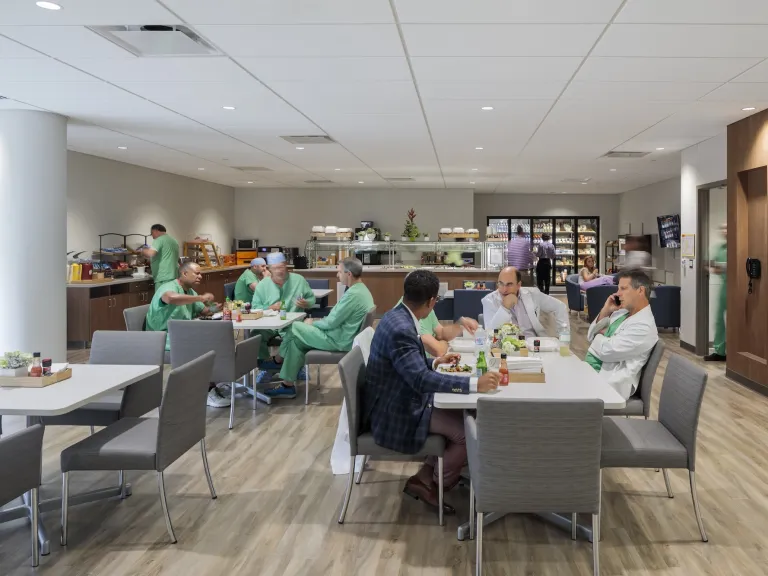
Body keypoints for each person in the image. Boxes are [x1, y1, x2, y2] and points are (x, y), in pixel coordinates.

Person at [363, 270, 500, 513]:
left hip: (397, 398)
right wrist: (473, 384)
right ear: (431, 301)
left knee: (468, 416)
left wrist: (435, 362)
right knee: (466, 434)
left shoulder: (396, 316)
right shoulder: (401, 329)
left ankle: (426, 476)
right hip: (396, 412)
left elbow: (406, 364)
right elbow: (420, 380)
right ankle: (437, 485)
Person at [266, 258, 374, 399]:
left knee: (294, 326)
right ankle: (287, 385)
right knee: (296, 342)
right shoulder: (361, 290)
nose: (337, 275)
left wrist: (312, 323)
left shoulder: (353, 295)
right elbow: (334, 319)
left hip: (338, 340)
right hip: (342, 336)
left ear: (349, 274)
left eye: (339, 272)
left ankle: (277, 360)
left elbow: (331, 323)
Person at [145, 262, 227, 408]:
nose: (200, 277)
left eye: (201, 274)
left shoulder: (189, 291)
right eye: (197, 273)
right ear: (184, 273)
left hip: (181, 335)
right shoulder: (168, 287)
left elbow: (203, 311)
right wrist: (201, 298)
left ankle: (211, 384)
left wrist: (215, 308)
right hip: (162, 339)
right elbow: (170, 298)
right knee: (202, 350)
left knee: (216, 343)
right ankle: (207, 392)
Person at [585, 268, 659, 400]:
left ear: (640, 291)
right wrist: (606, 310)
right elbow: (590, 335)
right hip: (592, 373)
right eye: (618, 288)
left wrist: (599, 336)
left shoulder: (644, 326)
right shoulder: (622, 313)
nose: (617, 294)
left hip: (607, 384)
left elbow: (607, 352)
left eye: (623, 289)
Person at [250, 252, 316, 394]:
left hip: (292, 324)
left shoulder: (299, 280)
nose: (280, 270)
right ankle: (266, 367)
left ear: (286, 266)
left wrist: (306, 303)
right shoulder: (263, 285)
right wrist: (270, 307)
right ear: (269, 268)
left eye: (282, 267)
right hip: (269, 324)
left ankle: (282, 364)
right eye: (276, 268)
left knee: (294, 334)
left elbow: (312, 299)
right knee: (255, 335)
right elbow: (255, 307)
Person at [481, 266, 569, 337]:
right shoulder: (489, 300)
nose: (504, 290)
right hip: (507, 348)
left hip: (534, 345)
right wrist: (505, 308)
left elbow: (560, 307)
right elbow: (490, 333)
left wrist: (563, 338)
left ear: (518, 285)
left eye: (509, 284)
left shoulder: (533, 294)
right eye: (501, 283)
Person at [706, 223, 727, 362]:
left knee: (737, 321)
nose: (724, 231)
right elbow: (714, 267)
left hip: (739, 287)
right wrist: (714, 268)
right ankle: (720, 352)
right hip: (725, 286)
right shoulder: (719, 248)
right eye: (722, 229)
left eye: (727, 228)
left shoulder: (741, 245)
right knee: (719, 320)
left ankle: (737, 352)